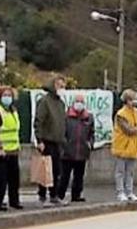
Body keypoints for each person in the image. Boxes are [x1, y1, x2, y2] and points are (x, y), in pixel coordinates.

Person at [0, 86, 23, 211]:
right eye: (5, 95)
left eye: (10, 95)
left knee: (14, 179)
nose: (8, 98)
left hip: (13, 150)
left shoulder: (13, 110)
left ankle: (14, 201)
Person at [34, 75, 67, 205]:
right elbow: (39, 121)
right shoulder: (45, 101)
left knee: (56, 170)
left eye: (64, 86)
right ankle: (42, 196)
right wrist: (40, 140)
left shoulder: (60, 103)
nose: (62, 89)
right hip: (47, 140)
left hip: (58, 141)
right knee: (45, 169)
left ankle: (54, 195)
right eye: (60, 86)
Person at [112, 89, 137, 202]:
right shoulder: (121, 114)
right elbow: (129, 130)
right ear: (126, 100)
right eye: (132, 99)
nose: (135, 102)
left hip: (133, 146)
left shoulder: (136, 112)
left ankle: (130, 192)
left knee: (130, 172)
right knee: (120, 171)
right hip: (122, 146)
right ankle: (120, 192)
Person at [60, 94, 95, 203]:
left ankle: (76, 195)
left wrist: (90, 143)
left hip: (82, 152)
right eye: (77, 101)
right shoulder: (66, 117)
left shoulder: (89, 117)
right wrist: (64, 146)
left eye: (81, 101)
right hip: (67, 152)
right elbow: (62, 133)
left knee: (79, 176)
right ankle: (59, 195)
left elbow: (92, 133)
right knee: (64, 176)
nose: (79, 103)